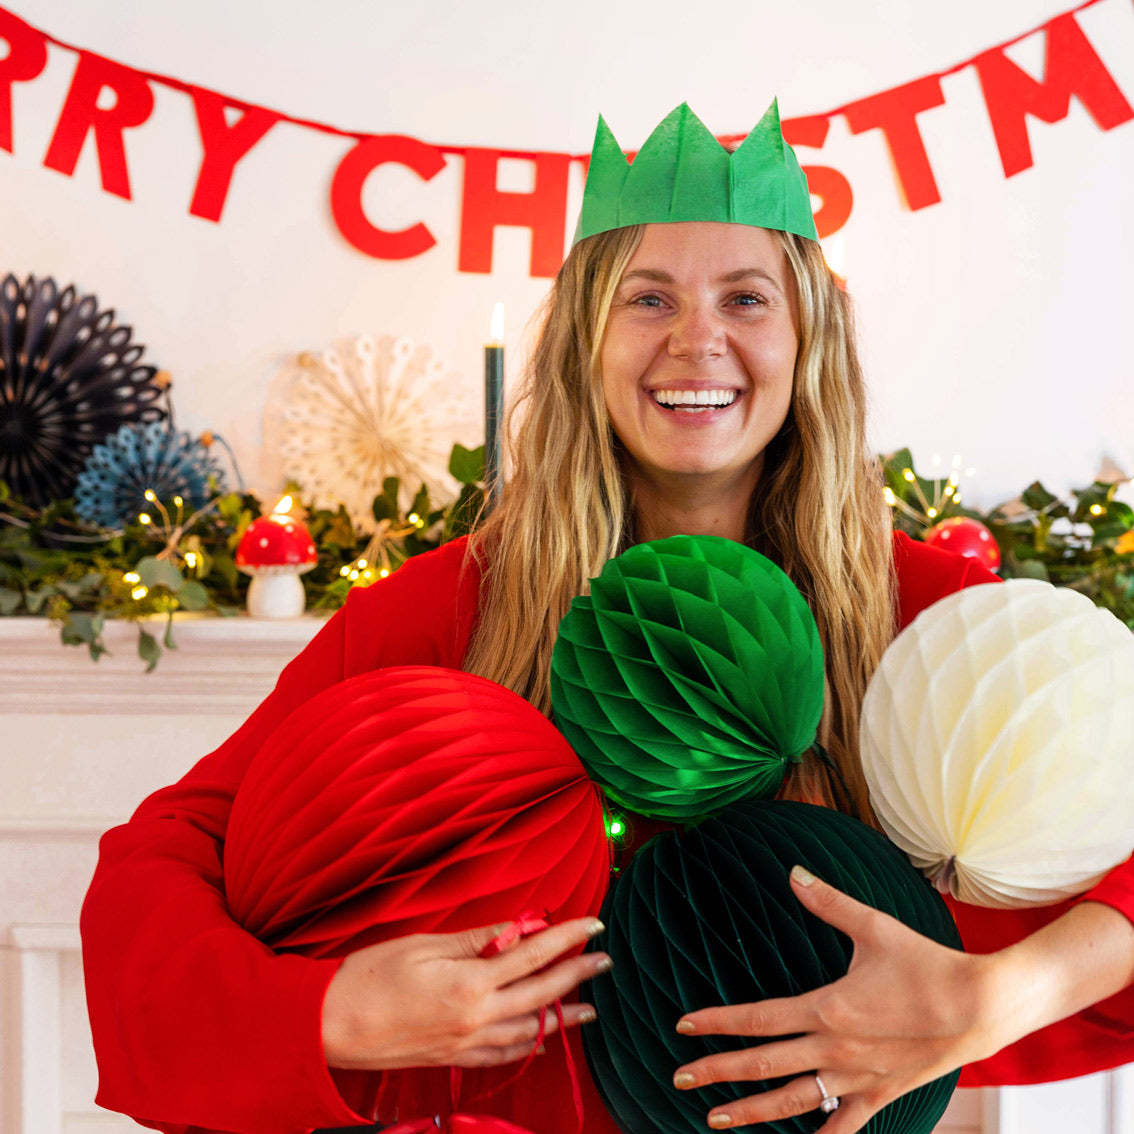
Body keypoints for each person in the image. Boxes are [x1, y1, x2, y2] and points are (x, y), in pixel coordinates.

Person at [80, 101, 1134, 1134]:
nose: (697, 342)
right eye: (649, 299)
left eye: (747, 299)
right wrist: (331, 1014)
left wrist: (995, 998)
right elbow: (163, 856)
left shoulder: (929, 621)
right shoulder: (450, 609)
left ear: (810, 336)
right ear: (588, 334)